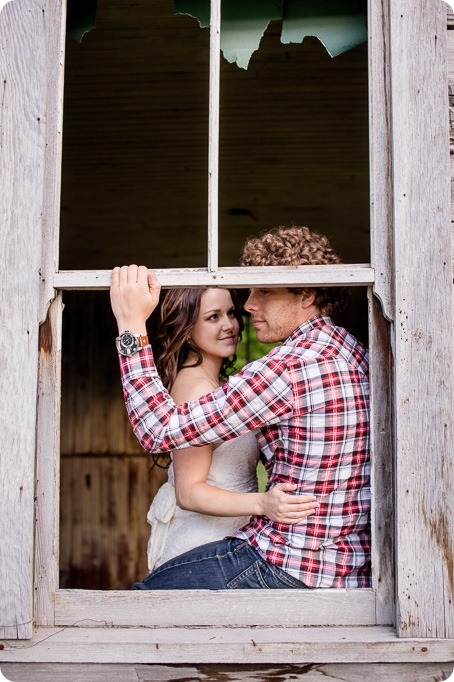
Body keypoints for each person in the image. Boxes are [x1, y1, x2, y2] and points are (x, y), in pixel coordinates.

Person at [110, 225, 371, 590]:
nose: (248, 306)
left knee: (140, 607)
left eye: (263, 290)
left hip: (288, 563)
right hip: (347, 567)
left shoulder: (289, 368)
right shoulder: (351, 348)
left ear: (307, 294)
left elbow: (156, 429)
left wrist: (129, 324)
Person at [145, 286, 318, 571]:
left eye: (231, 313)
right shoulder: (195, 388)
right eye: (213, 317)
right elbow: (189, 492)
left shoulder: (220, 389)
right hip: (202, 544)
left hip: (232, 542)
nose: (230, 326)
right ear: (187, 329)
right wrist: (263, 504)